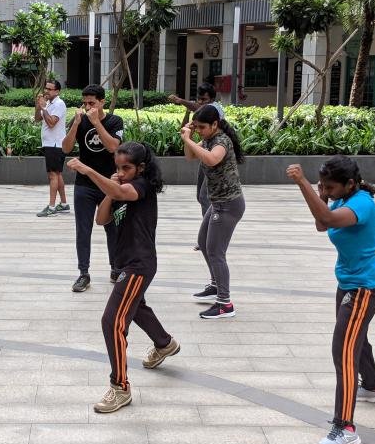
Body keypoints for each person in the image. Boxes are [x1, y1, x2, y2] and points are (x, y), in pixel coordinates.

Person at [67, 142, 180, 413]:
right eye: (117, 167)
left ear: (140, 168)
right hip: (125, 263)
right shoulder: (121, 187)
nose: (120, 172)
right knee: (136, 307)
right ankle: (164, 343)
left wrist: (87, 170)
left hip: (138, 264)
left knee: (112, 321)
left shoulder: (142, 186)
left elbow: (122, 191)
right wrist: (111, 188)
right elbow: (101, 219)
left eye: (126, 168)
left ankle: (120, 387)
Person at [285, 156, 375, 444]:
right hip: (348, 283)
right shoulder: (341, 198)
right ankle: (373, 386)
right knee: (355, 339)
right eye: (323, 186)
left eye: (330, 187)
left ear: (350, 184)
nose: (326, 191)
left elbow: (328, 220)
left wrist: (303, 183)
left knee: (343, 351)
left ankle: (345, 428)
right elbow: (321, 224)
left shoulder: (362, 204)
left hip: (365, 288)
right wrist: (321, 194)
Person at [181, 104, 245, 320]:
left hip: (229, 204)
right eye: (197, 127)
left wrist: (189, 139)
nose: (199, 131)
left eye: (202, 127)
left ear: (215, 124)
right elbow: (190, 156)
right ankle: (216, 285)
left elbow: (211, 159)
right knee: (203, 241)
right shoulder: (208, 138)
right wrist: (188, 138)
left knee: (216, 252)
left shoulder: (221, 141)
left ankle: (225, 304)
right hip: (218, 203)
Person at [62, 84, 124, 292]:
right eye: (85, 103)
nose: (88, 107)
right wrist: (75, 124)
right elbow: (66, 148)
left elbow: (113, 147)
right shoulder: (81, 121)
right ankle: (83, 273)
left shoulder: (115, 121)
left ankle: (116, 268)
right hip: (84, 185)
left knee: (112, 228)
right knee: (83, 230)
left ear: (102, 102)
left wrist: (96, 122)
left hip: (109, 184)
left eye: (92, 103)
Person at [168, 82, 225, 216]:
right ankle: (209, 221)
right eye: (199, 99)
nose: (200, 102)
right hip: (206, 151)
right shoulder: (201, 114)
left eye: (204, 99)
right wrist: (188, 113)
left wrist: (181, 101)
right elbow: (185, 133)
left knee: (205, 197)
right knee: (201, 196)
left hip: (214, 156)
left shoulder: (214, 109)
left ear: (212, 99)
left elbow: (199, 107)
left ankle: (210, 222)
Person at [34, 77, 70, 217]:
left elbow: (51, 123)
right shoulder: (48, 103)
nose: (46, 91)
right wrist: (39, 106)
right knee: (57, 174)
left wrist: (44, 108)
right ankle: (64, 204)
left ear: (57, 91)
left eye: (50, 89)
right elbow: (38, 119)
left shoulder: (59, 104)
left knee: (52, 175)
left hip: (55, 144)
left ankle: (51, 207)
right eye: (46, 88)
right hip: (50, 144)